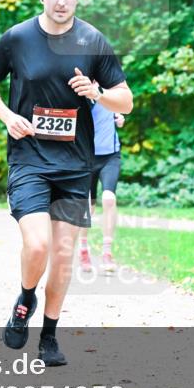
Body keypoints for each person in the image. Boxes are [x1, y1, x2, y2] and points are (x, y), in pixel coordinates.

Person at [0, 0, 132, 367]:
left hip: (75, 165)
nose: (61, 1)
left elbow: (125, 101)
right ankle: (26, 296)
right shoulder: (18, 38)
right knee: (38, 244)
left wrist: (97, 93)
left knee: (63, 254)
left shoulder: (93, 41)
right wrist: (8, 117)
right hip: (29, 158)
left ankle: (49, 336)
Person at [78, 101, 125, 270]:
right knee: (87, 206)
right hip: (87, 157)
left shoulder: (108, 91)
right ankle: (83, 249)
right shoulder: (81, 93)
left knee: (109, 198)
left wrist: (118, 116)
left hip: (110, 156)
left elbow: (120, 107)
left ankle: (107, 253)